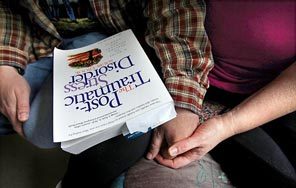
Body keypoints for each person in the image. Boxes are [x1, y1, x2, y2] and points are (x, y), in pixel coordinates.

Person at [0, 0, 215, 187]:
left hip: (126, 49)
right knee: (27, 120)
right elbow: (8, 9)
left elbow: (177, 18)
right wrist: (5, 65)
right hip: (44, 44)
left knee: (126, 138)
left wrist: (183, 101)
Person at [142, 0, 296, 187]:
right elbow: (172, 18)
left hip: (278, 92)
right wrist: (182, 101)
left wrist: (228, 124)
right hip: (192, 78)